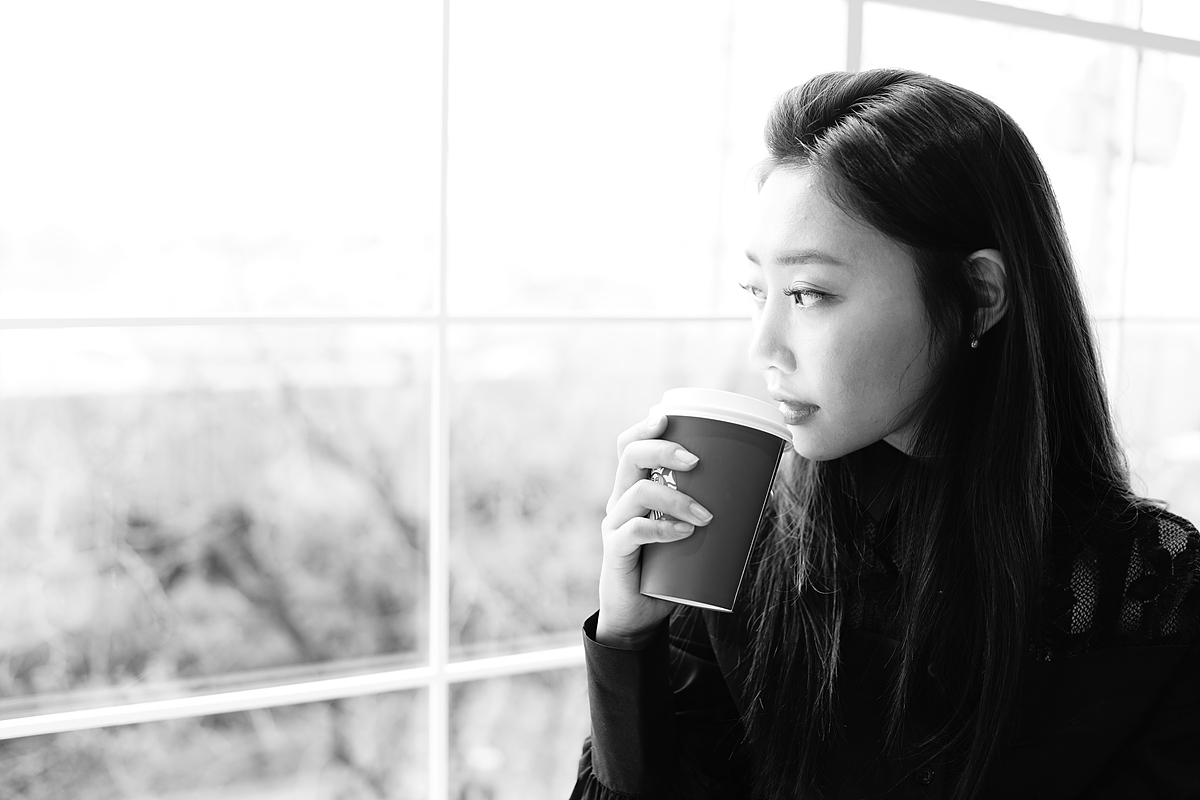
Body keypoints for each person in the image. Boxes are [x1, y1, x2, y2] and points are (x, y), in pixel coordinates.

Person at [569, 69, 1199, 800]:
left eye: (809, 293)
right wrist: (628, 640)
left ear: (979, 295)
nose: (763, 346)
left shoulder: (1148, 590)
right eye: (757, 293)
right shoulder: (748, 537)